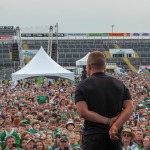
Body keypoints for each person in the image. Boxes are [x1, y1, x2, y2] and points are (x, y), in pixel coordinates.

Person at [75, 51, 134, 150]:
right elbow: (130, 107)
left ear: (89, 66)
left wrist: (108, 121)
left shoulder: (83, 85)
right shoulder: (119, 84)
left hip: (93, 138)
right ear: (105, 66)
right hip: (114, 137)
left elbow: (82, 112)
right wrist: (116, 125)